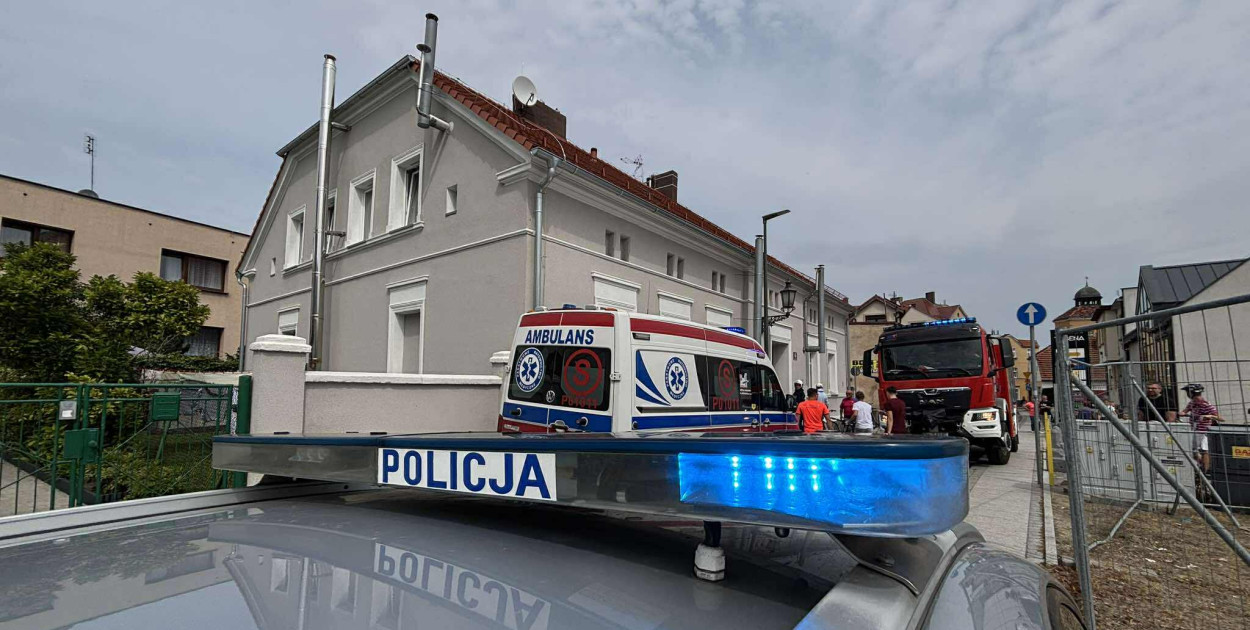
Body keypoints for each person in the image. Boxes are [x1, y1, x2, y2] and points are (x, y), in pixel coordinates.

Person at [1181, 384, 1222, 475]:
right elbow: (1185, 411)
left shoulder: (1206, 404)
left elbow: (1219, 418)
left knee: (1204, 450)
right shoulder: (1192, 403)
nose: (1187, 394)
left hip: (1203, 431)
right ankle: (1200, 467)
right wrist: (1182, 413)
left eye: (1188, 392)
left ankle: (1205, 470)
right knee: (1194, 451)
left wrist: (1209, 416)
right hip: (1194, 429)